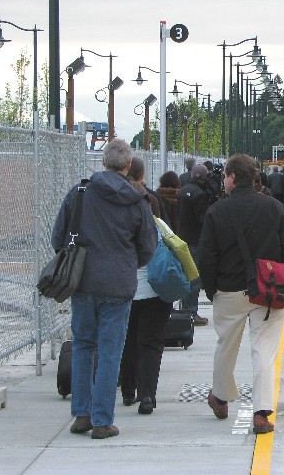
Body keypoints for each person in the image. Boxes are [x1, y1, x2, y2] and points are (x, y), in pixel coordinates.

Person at [51, 138, 157, 440]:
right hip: (119, 284)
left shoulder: (80, 193)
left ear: (102, 162)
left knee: (84, 345)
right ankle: (102, 420)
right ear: (127, 166)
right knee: (111, 351)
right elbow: (148, 246)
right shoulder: (138, 202)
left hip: (83, 282)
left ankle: (81, 414)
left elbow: (59, 236)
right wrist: (127, 262)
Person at [198, 154, 284, 434]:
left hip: (229, 290)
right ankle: (261, 413)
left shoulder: (216, 212)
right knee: (264, 352)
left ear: (231, 177)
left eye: (224, 177)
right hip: (268, 292)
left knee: (226, 345)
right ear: (254, 178)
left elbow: (207, 257)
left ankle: (220, 398)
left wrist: (211, 289)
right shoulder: (275, 208)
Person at [120, 160, 174, 415]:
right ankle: (147, 395)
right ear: (142, 176)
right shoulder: (152, 204)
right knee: (151, 343)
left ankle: (128, 390)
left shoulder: (115, 207)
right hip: (154, 286)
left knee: (127, 339)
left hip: (125, 288)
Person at [177, 164, 211, 326]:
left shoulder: (183, 191)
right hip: (195, 241)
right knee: (195, 279)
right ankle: (192, 312)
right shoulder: (200, 194)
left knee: (186, 277)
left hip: (182, 240)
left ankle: (185, 311)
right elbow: (203, 219)